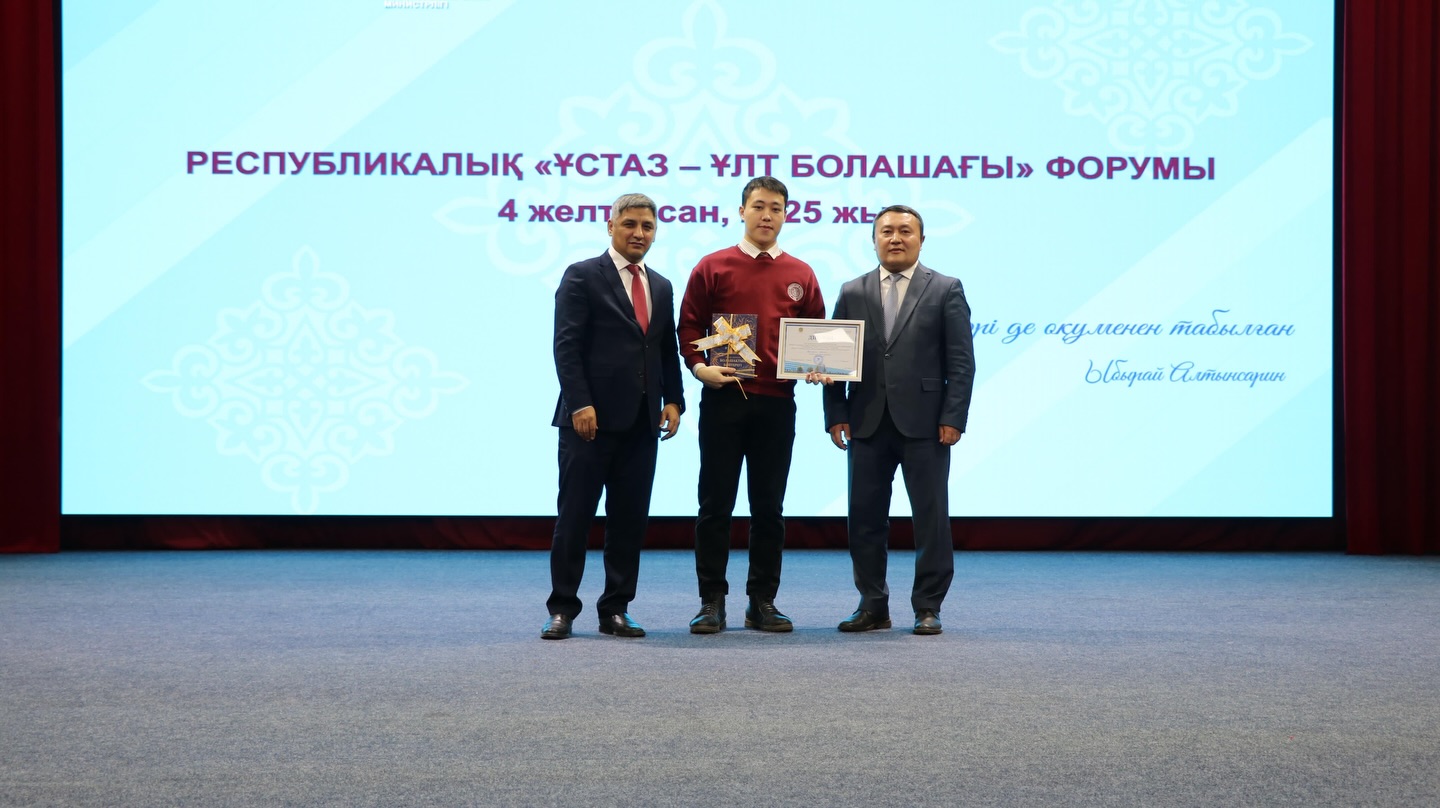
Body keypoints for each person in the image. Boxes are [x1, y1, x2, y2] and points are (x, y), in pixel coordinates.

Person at [677, 176, 825, 633]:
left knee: (769, 508)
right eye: (758, 206)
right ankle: (711, 601)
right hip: (724, 399)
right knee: (714, 506)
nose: (767, 215)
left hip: (778, 404)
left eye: (776, 208)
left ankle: (762, 601)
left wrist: (819, 365)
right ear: (741, 211)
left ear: (786, 215)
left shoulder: (801, 273)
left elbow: (817, 335)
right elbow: (689, 327)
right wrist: (699, 367)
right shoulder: (713, 266)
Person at [820, 205, 975, 635]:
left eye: (906, 231)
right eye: (886, 231)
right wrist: (835, 414)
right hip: (865, 422)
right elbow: (831, 359)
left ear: (921, 240)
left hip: (926, 424)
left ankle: (928, 606)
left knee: (931, 518)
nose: (895, 238)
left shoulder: (945, 288)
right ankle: (872, 605)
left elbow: (961, 362)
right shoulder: (852, 291)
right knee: (864, 518)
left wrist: (953, 417)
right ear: (873, 240)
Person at [543, 193, 685, 640]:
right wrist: (580, 404)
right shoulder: (582, 275)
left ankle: (616, 609)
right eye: (630, 224)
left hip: (642, 424)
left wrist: (675, 400)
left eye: (647, 226)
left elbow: (665, 350)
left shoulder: (661, 285)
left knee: (629, 520)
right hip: (588, 423)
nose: (639, 233)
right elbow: (566, 346)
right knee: (575, 518)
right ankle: (562, 608)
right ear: (610, 226)